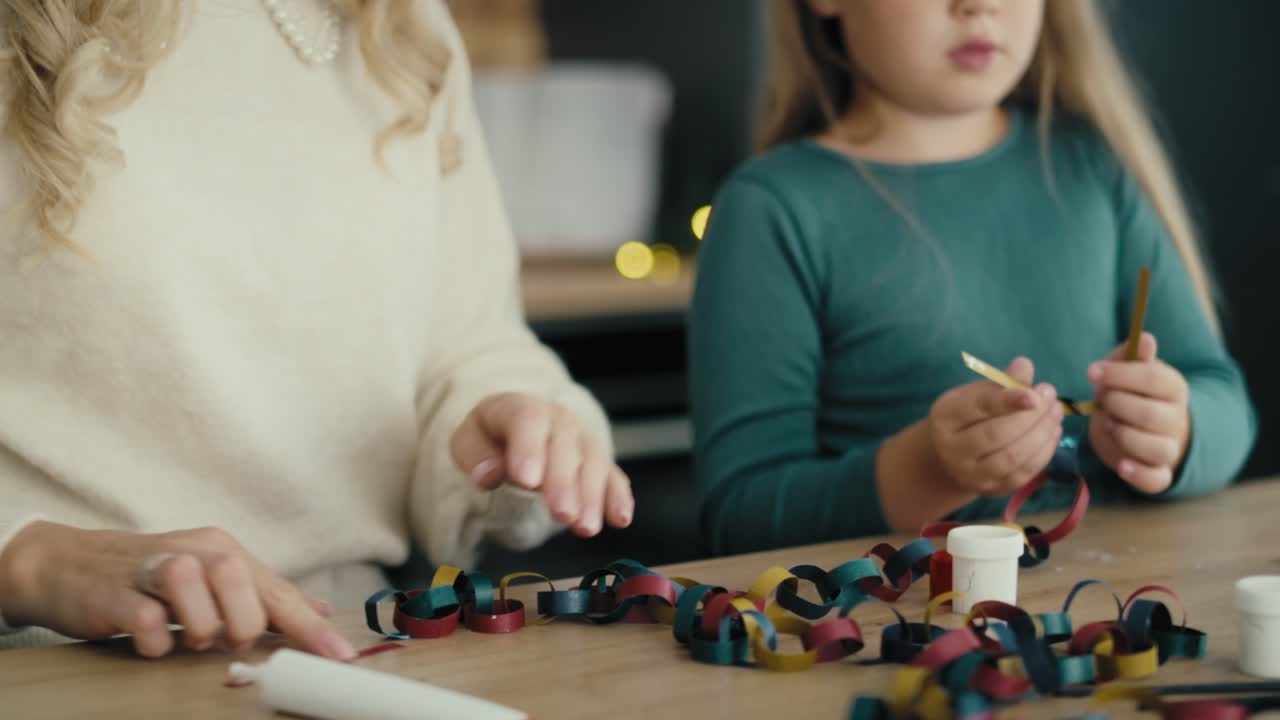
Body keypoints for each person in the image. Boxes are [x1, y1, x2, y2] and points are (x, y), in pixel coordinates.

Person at [0, 0, 633, 657]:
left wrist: (518, 438)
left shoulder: (405, 31)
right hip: (59, 665)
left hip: (348, 651)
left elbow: (468, 347)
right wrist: (26, 559)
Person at [689, 0, 1255, 556]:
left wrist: (1176, 434)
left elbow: (1225, 404)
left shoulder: (1093, 170)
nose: (979, 5)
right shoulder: (770, 209)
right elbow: (740, 517)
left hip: (1120, 622)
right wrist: (930, 471)